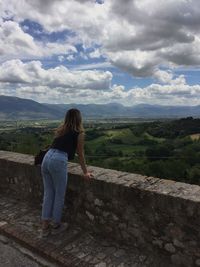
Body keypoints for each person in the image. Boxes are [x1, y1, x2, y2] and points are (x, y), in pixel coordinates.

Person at [40, 108, 93, 237]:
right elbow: (80, 154)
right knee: (59, 194)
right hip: (58, 161)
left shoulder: (61, 130)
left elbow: (60, 146)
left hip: (47, 158)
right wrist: (85, 172)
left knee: (48, 193)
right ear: (79, 118)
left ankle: (45, 225)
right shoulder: (79, 133)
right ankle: (56, 224)